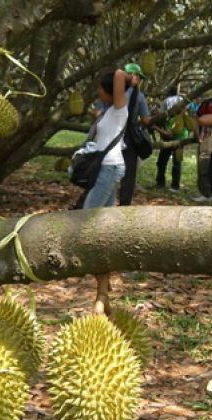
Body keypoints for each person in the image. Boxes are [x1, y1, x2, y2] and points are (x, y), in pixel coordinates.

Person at [84, 69, 128, 315]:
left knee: (86, 218)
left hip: (110, 170)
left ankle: (99, 275)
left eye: (101, 88)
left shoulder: (120, 108)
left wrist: (128, 78)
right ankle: (103, 288)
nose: (98, 91)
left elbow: (120, 74)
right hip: (105, 168)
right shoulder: (110, 111)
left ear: (111, 90)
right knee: (104, 224)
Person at [118, 63, 151, 206]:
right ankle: (124, 205)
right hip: (128, 138)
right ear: (134, 76)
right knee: (128, 174)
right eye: (139, 77)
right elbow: (145, 119)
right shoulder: (139, 96)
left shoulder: (112, 91)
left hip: (110, 134)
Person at [154, 87, 195, 191]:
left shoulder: (167, 101)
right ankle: (175, 186)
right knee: (177, 163)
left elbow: (163, 116)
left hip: (171, 134)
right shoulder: (184, 100)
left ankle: (160, 183)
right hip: (182, 137)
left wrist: (156, 126)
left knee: (162, 161)